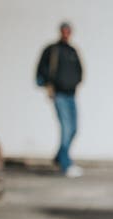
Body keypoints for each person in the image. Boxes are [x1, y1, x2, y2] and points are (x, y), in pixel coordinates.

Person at [36, 22, 83, 178]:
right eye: (64, 31)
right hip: (59, 95)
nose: (66, 33)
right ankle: (66, 164)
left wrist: (76, 82)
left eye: (68, 31)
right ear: (60, 32)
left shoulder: (72, 51)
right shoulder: (52, 50)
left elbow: (80, 71)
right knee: (66, 128)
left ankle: (59, 157)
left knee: (74, 128)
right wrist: (47, 86)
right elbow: (41, 70)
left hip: (71, 94)